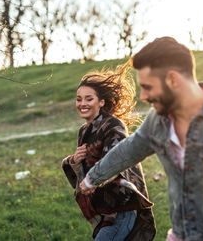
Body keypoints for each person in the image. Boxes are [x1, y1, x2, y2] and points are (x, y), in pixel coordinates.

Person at [80, 36, 203, 241]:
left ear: (173, 80)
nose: (144, 96)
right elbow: (129, 149)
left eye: (148, 87)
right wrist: (93, 177)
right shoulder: (158, 121)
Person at [62, 62, 156, 241]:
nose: (82, 103)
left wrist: (94, 178)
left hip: (121, 208)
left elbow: (116, 162)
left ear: (101, 102)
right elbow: (83, 169)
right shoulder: (84, 130)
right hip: (104, 209)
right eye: (79, 99)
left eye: (89, 99)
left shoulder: (114, 125)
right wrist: (74, 160)